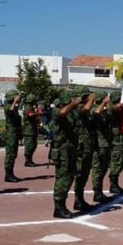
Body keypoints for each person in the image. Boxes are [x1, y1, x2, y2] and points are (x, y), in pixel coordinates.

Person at [51, 90, 81, 219]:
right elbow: (62, 113)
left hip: (70, 148)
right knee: (62, 178)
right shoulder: (57, 111)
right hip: (62, 150)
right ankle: (58, 207)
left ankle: (62, 205)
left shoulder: (71, 112)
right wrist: (73, 104)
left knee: (69, 177)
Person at [3, 89, 23, 182]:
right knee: (10, 154)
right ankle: (8, 175)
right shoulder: (8, 107)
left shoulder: (13, 107)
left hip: (15, 133)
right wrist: (15, 100)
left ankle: (10, 173)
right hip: (10, 134)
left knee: (13, 154)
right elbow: (10, 110)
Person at [23, 94, 41, 166]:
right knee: (29, 145)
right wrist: (38, 113)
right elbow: (29, 114)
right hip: (28, 129)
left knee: (34, 145)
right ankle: (27, 160)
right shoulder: (28, 107)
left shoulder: (32, 107)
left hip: (32, 128)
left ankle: (30, 159)